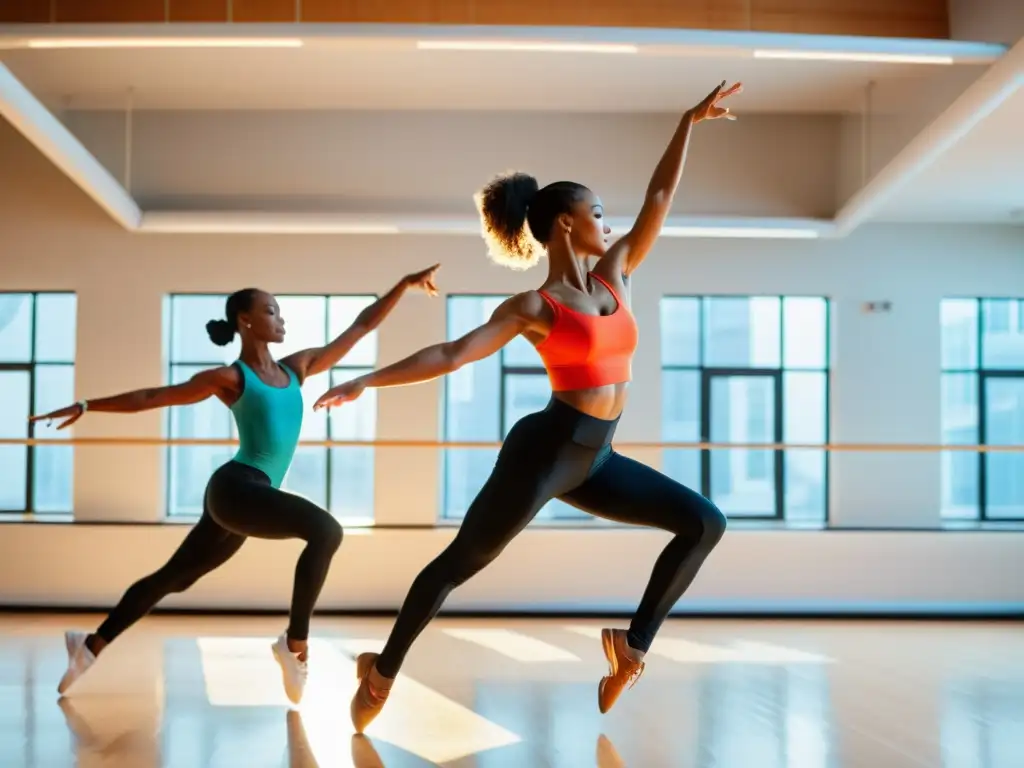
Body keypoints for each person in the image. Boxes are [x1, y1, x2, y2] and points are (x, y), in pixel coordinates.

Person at [314, 81, 741, 732]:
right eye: (597, 212)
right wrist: (366, 383)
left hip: (596, 458)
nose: (609, 221)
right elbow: (452, 355)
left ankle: (632, 648)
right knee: (461, 563)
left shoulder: (619, 272)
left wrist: (688, 121)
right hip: (544, 454)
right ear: (566, 223)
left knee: (704, 522)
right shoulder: (534, 308)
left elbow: (660, 197)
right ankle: (384, 669)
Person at [31, 264, 440, 704]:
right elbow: (154, 397)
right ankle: (295, 645)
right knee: (327, 530)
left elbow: (360, 327)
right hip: (236, 488)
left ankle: (89, 646)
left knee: (174, 578)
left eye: (280, 311)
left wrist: (402, 286)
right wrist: (86, 405)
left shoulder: (297, 367)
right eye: (270, 311)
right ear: (246, 320)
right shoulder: (231, 378)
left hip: (246, 497)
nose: (280, 319)